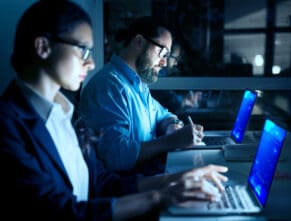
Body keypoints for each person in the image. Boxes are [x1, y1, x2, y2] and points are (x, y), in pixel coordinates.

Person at [0, 1, 229, 220]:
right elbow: (61, 211)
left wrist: (176, 179)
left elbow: (102, 183)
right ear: (43, 47)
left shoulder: (67, 114)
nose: (90, 64)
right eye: (83, 50)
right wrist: (161, 195)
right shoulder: (7, 125)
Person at [79, 16, 205, 175]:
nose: (164, 63)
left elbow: (162, 114)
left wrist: (172, 125)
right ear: (139, 42)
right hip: (129, 192)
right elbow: (116, 155)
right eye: (162, 53)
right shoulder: (109, 87)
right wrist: (171, 141)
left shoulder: (137, 84)